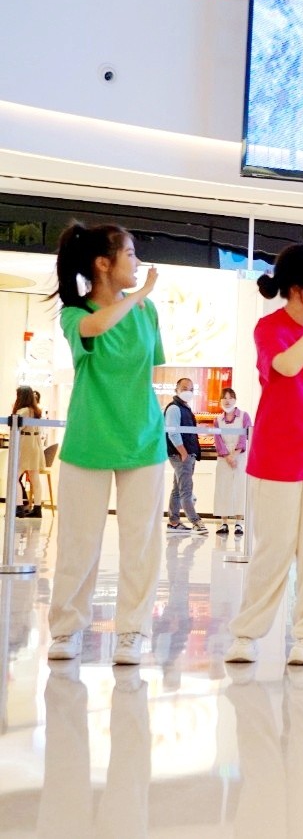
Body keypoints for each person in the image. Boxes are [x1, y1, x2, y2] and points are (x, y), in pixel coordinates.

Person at [46, 223, 169, 666]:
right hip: (89, 440)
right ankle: (67, 628)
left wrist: (141, 299)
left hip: (143, 441)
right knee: (79, 542)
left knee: (142, 544)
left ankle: (132, 631)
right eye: (130, 254)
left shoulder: (147, 314)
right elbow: (98, 325)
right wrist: (141, 292)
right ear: (103, 263)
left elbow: (151, 370)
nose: (137, 263)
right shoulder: (75, 314)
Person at [225, 244, 303, 667]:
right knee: (274, 548)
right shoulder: (269, 327)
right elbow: (287, 367)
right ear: (299, 286)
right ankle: (247, 632)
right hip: (278, 448)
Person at [163, 376, 207, 535]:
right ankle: (196, 522)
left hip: (185, 454)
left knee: (177, 489)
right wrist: (183, 453)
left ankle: (174, 522)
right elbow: (173, 433)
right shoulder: (174, 408)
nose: (188, 392)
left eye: (191, 389)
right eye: (184, 388)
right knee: (186, 490)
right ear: (176, 390)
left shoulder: (184, 407)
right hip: (180, 455)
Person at [212, 387, 251, 537]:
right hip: (224, 458)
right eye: (224, 398)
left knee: (240, 488)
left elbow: (244, 436)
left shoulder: (244, 416)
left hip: (240, 457)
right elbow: (218, 440)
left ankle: (239, 522)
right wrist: (227, 456)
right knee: (223, 488)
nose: (227, 401)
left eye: (230, 397)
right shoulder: (218, 420)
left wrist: (234, 455)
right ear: (220, 401)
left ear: (235, 400)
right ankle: (223, 522)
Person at [11, 386, 45, 517]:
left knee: (15, 477)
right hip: (35, 444)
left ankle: (19, 507)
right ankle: (37, 508)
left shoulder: (23, 411)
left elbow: (17, 428)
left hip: (26, 445)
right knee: (35, 478)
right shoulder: (36, 411)